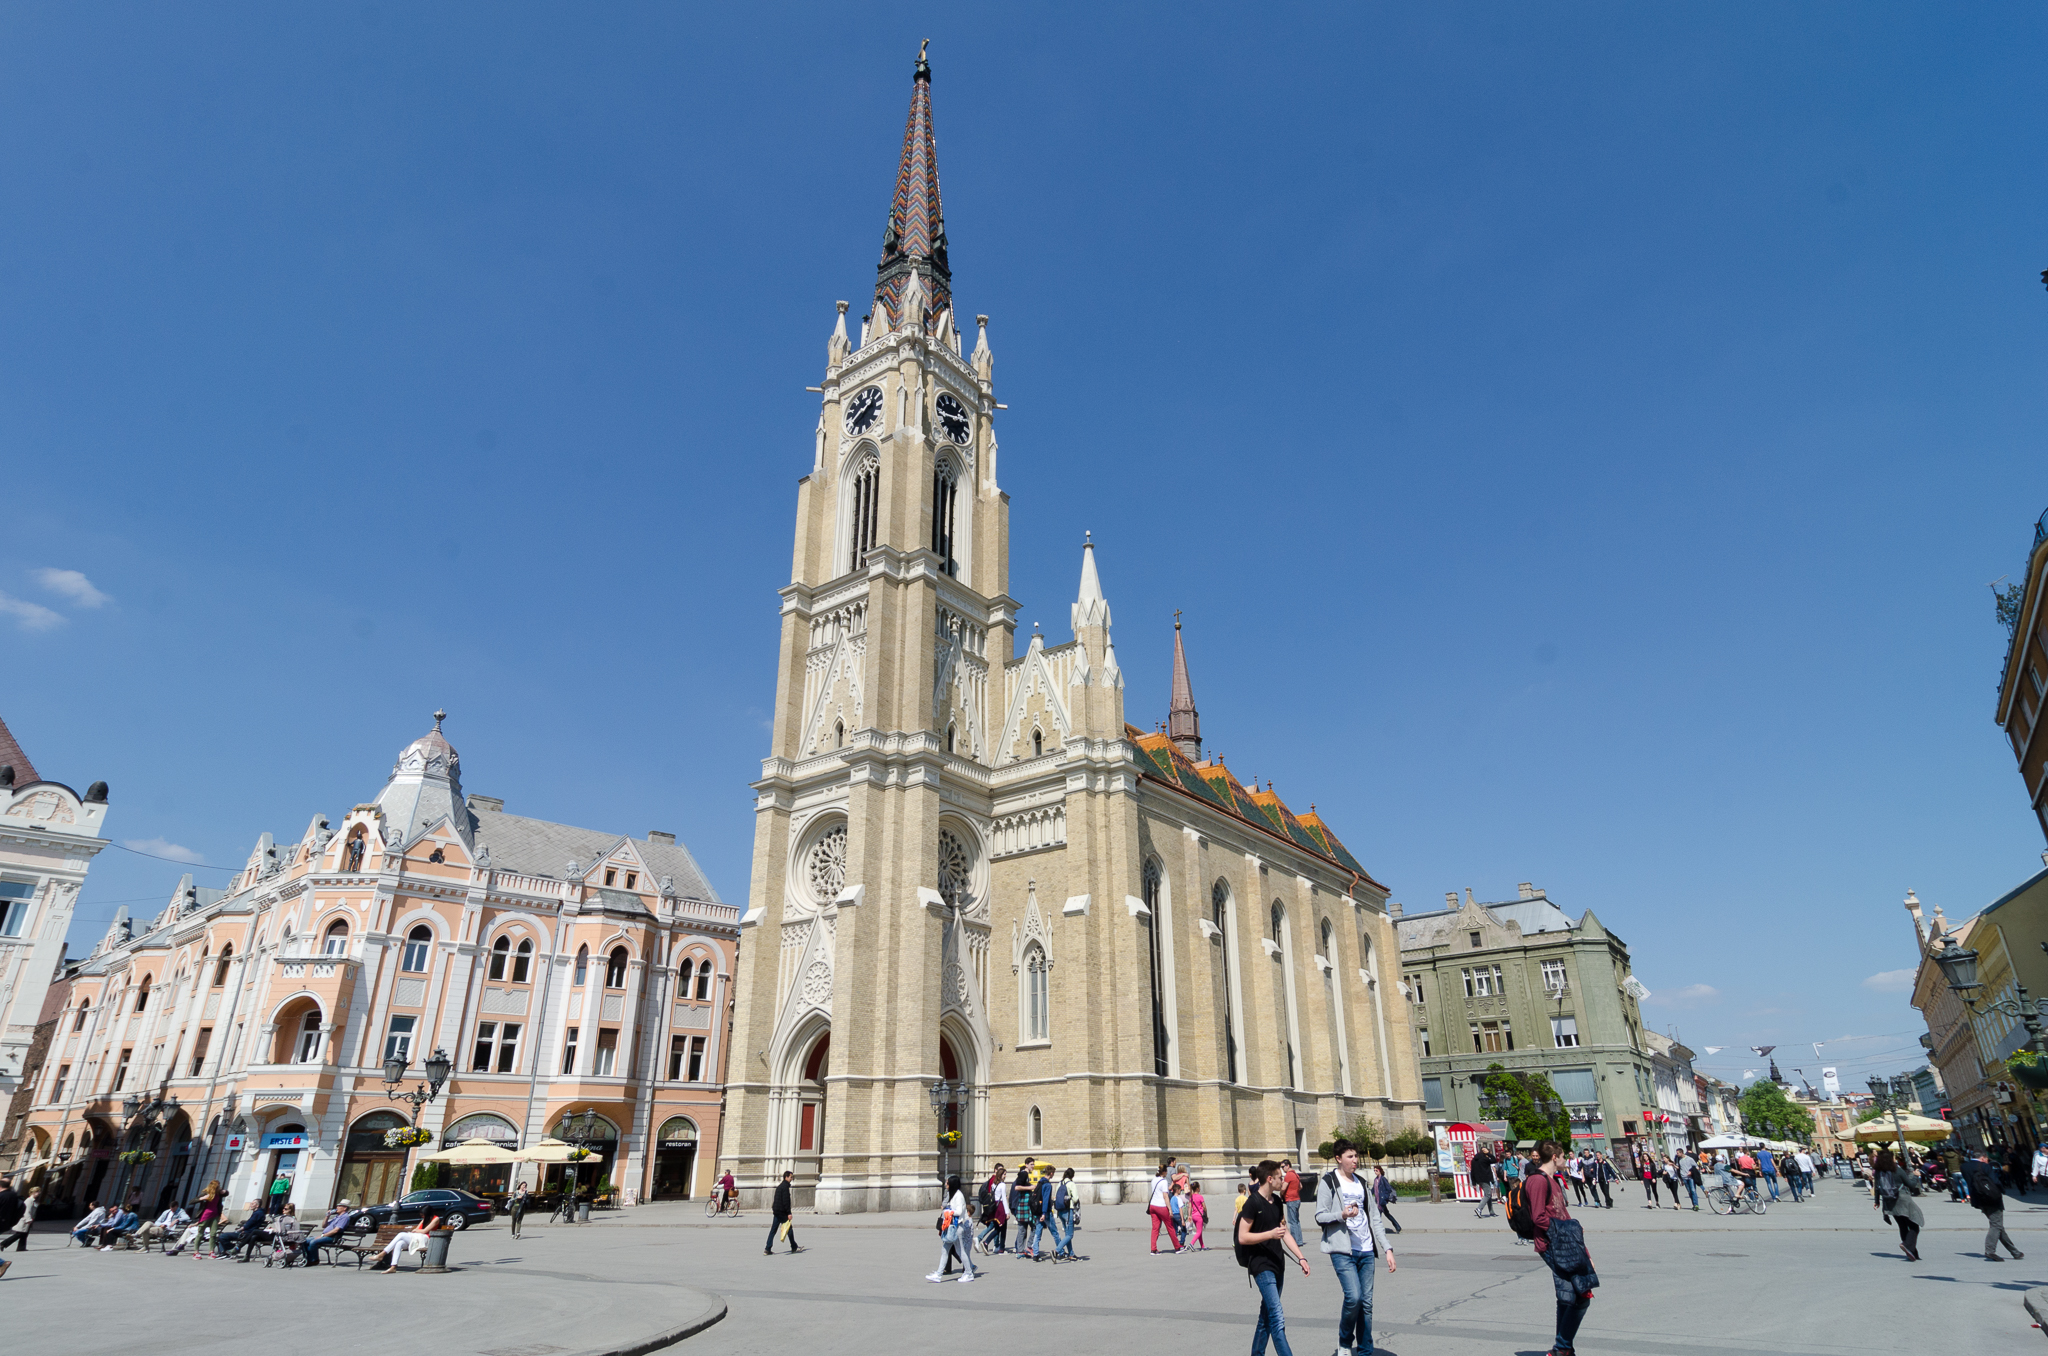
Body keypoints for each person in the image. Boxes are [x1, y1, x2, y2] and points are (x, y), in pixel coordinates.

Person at [1313, 1140, 1396, 1356]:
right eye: (1350, 1156)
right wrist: (1342, 1215)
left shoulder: (1361, 1183)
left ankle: (1366, 1351)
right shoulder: (1329, 1182)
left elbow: (1375, 1218)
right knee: (1354, 1297)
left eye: (1356, 1156)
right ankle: (1344, 1342)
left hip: (1366, 1249)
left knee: (1366, 1304)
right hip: (1342, 1250)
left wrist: (1387, 1248)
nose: (1355, 1160)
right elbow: (1320, 1216)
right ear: (1338, 1159)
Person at [1527, 1140, 1598, 1356]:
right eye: (1563, 1157)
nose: (1566, 1161)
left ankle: (1563, 1348)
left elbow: (1562, 1214)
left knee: (1568, 1296)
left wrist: (1585, 1252)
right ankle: (1563, 1347)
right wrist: (1567, 1228)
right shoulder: (1537, 1181)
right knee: (1581, 1295)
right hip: (1552, 1245)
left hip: (1565, 1244)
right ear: (1555, 1157)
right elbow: (1538, 1217)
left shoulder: (1553, 1181)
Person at [1237, 1159, 1312, 1356]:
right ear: (1270, 1179)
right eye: (1280, 1177)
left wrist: (1301, 1258)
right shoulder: (1252, 1203)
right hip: (1261, 1266)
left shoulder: (1278, 1202)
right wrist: (1269, 1235)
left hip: (1278, 1264)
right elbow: (1242, 1236)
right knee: (1277, 1317)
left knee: (1267, 1316)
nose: (1283, 1180)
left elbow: (1284, 1232)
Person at [1964, 1149, 2023, 1263]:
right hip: (1992, 1198)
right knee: (1996, 1225)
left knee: (1998, 1225)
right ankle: (1990, 1250)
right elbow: (1995, 1181)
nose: (1986, 1161)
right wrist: (2002, 1191)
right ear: (1982, 1158)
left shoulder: (1964, 1167)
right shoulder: (1985, 1166)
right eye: (1986, 1159)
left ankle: (2015, 1252)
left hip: (1978, 1200)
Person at [1870, 1148, 1923, 1262]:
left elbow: (1877, 1187)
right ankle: (1908, 1245)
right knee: (1914, 1225)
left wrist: (1877, 1201)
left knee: (1902, 1226)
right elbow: (1911, 1185)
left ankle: (1912, 1253)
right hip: (1903, 1200)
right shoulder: (1897, 1170)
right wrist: (1915, 1175)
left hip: (1889, 1202)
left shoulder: (1879, 1172)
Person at [928, 1173, 978, 1283]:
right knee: (945, 1250)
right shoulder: (953, 1194)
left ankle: (969, 1272)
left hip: (957, 1227)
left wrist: (949, 1211)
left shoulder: (958, 1196)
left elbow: (960, 1211)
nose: (946, 1184)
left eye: (947, 1183)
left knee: (961, 1252)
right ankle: (939, 1274)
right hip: (952, 1226)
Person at [369, 1214, 441, 1273]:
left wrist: (417, 1231)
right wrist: (417, 1230)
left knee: (401, 1234)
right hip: (418, 1237)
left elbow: (425, 1231)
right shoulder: (425, 1219)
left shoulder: (435, 1218)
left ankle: (382, 1254)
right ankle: (393, 1267)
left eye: (423, 1215)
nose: (422, 1217)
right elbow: (418, 1229)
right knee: (399, 1243)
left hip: (425, 1239)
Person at [301, 1201, 357, 1267]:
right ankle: (308, 1259)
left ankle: (314, 1260)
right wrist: (327, 1216)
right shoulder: (336, 1216)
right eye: (337, 1206)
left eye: (339, 1206)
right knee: (304, 1240)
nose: (337, 1207)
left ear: (344, 1208)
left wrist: (322, 1236)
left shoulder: (344, 1217)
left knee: (313, 1242)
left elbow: (336, 1231)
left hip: (332, 1237)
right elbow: (324, 1226)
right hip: (325, 1235)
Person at [765, 1170, 804, 1255]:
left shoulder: (779, 1186)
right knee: (789, 1229)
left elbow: (776, 1200)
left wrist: (775, 1209)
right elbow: (786, 1202)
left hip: (777, 1211)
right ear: (786, 1177)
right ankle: (794, 1247)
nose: (791, 1179)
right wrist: (789, 1213)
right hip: (782, 1212)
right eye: (791, 1177)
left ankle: (767, 1248)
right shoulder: (785, 1187)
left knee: (773, 1230)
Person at [1147, 1160, 1182, 1254]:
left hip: (1153, 1206)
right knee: (1170, 1227)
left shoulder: (1153, 1180)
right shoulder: (1163, 1182)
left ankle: (1153, 1249)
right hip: (1161, 1206)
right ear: (1164, 1172)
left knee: (1155, 1228)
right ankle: (1177, 1247)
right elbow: (1165, 1196)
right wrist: (1170, 1209)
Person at [976, 1165, 1007, 1254]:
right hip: (1000, 1207)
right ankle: (999, 1247)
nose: (1005, 1176)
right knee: (1001, 1228)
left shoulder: (994, 1184)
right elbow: (1004, 1199)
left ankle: (988, 1243)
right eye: (1004, 1174)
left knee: (997, 1227)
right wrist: (1007, 1212)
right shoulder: (1002, 1185)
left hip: (995, 1207)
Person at [1, 1185, 40, 1253]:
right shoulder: (29, 1200)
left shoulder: (34, 1201)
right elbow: (26, 1211)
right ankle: (4, 1243)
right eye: (37, 1192)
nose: (39, 1193)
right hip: (25, 1220)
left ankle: (21, 1247)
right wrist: (28, 1219)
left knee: (24, 1234)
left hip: (28, 1220)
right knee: (19, 1234)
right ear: (33, 1192)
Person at [1011, 1165, 1038, 1259]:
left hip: (1023, 1206)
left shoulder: (1024, 1174)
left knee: (1022, 1229)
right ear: (1026, 1165)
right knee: (1034, 1226)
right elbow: (1017, 1187)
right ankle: (1028, 1247)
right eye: (1031, 1164)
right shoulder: (1024, 1173)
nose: (1033, 1166)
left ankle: (1020, 1250)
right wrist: (1031, 1187)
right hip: (1025, 1206)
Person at [192, 1180, 225, 1258]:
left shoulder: (218, 1194)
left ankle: (211, 1252)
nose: (219, 1187)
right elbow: (192, 1201)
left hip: (215, 1215)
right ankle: (196, 1252)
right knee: (200, 1234)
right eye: (218, 1186)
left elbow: (226, 1193)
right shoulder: (206, 1193)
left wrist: (225, 1191)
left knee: (213, 1234)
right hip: (205, 1215)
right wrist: (202, 1198)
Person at [1469, 1143, 1498, 1217]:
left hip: (1479, 1179)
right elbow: (1494, 1160)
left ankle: (1491, 1211)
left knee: (1488, 1195)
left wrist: (1474, 1182)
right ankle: (1479, 1209)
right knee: (1488, 1195)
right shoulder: (1485, 1159)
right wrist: (1489, 1154)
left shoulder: (1474, 1160)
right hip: (1485, 1178)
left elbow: (1472, 1171)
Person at [1281, 1159, 1304, 1246]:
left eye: (1283, 1166)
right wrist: (1294, 1189)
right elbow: (1300, 1186)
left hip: (1290, 1199)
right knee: (1297, 1220)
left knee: (1292, 1221)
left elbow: (1283, 1188)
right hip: (1297, 1198)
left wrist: (1281, 1194)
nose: (1282, 1169)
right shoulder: (1296, 1175)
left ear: (1288, 1165)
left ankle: (1295, 1241)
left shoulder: (1288, 1175)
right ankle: (1300, 1240)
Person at [1373, 1165, 1402, 1233]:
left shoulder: (1383, 1179)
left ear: (1380, 1171)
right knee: (1387, 1214)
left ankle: (1376, 1228)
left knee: (1378, 1215)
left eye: (1376, 1170)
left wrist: (1385, 1197)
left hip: (1382, 1200)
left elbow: (1388, 1189)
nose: (1375, 1172)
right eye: (1374, 1170)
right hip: (1378, 1200)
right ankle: (1398, 1227)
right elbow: (1373, 1189)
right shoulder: (1376, 1180)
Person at [1185, 1178, 1207, 1251]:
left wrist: (1189, 1215)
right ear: (1197, 1188)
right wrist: (1206, 1213)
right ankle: (1191, 1243)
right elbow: (1204, 1206)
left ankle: (1202, 1246)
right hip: (1199, 1216)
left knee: (1199, 1230)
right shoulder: (1200, 1197)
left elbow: (1190, 1207)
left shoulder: (1192, 1197)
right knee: (1199, 1231)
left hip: (1194, 1215)